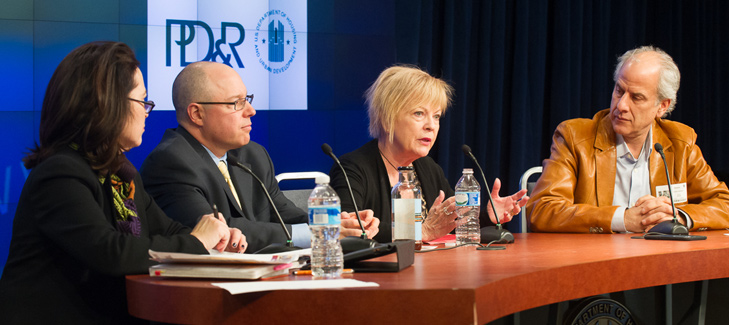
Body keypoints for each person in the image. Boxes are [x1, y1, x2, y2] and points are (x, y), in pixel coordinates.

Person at [0, 41, 245, 324]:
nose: (146, 112)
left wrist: (219, 239)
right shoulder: (60, 173)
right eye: (142, 101)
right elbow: (111, 252)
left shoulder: (120, 174)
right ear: (106, 102)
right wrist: (197, 242)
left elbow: (168, 229)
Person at [141, 61, 379, 253]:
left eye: (247, 99)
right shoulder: (170, 162)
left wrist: (333, 224)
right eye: (236, 103)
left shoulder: (252, 154)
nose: (250, 111)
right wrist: (319, 233)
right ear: (197, 113)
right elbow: (219, 231)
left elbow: (281, 211)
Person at [527, 46, 729, 233]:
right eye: (619, 90)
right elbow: (542, 209)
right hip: (594, 267)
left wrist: (677, 216)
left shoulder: (680, 143)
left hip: (661, 267)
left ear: (662, 106)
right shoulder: (575, 137)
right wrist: (624, 219)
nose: (621, 105)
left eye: (637, 97)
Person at [329, 65, 528, 243]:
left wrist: (488, 215)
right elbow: (348, 233)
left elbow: (453, 220)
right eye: (419, 114)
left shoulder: (428, 168)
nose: (431, 126)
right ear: (386, 119)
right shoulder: (352, 169)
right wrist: (419, 231)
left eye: (436, 116)